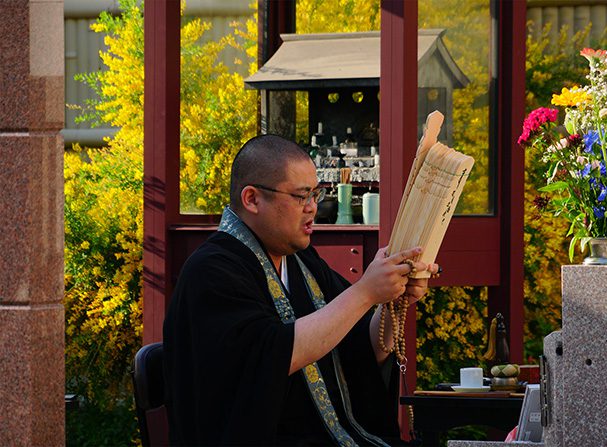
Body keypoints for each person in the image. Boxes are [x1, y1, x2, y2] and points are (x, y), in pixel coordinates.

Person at [163, 134, 439, 446]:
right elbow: (270, 357)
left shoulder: (301, 261)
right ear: (252, 199)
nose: (312, 209)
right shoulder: (211, 271)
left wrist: (392, 301)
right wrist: (365, 293)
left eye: (315, 195)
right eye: (300, 197)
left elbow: (358, 349)